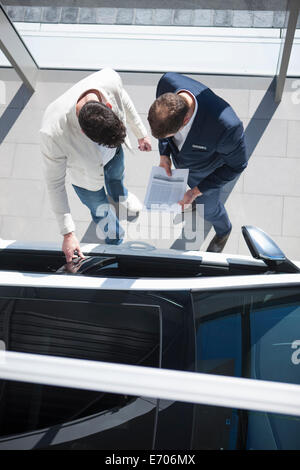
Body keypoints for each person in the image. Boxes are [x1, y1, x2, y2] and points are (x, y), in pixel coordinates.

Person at [40, 68, 151, 262]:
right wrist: (67, 233)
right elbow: (54, 184)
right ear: (83, 132)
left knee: (117, 176)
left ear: (107, 104)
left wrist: (140, 132)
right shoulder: (52, 132)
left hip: (114, 157)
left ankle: (120, 196)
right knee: (101, 211)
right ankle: (115, 238)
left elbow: (123, 99)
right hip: (86, 179)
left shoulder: (110, 79)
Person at [147, 72, 247, 253]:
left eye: (170, 134)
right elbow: (165, 135)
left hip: (206, 174)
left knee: (209, 210)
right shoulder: (166, 83)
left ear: (185, 120)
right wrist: (164, 155)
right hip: (184, 165)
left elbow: (237, 165)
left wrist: (195, 191)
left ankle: (223, 231)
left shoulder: (227, 127)